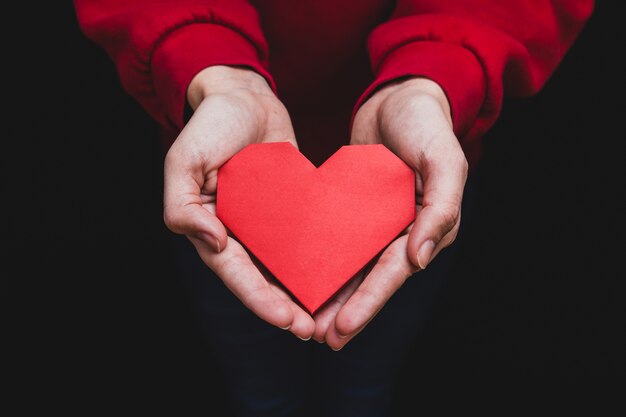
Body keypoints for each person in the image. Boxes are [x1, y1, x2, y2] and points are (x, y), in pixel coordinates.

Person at [74, 1, 594, 415]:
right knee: (260, 390)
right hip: (222, 181)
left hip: (410, 181)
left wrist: (431, 78)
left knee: (363, 387)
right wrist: (216, 72)